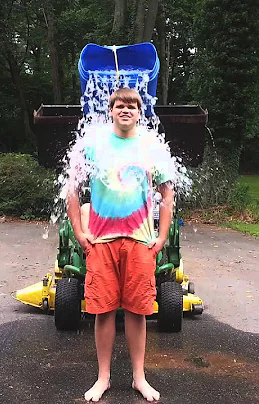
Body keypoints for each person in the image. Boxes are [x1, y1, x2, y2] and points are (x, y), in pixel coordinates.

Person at [66, 87, 175, 402]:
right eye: (119, 105)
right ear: (110, 110)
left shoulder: (151, 146)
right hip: (101, 241)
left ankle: (139, 377)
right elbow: (72, 188)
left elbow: (167, 192)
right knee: (102, 311)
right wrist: (78, 230)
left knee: (138, 311)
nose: (126, 109)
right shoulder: (95, 145)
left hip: (140, 241)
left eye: (132, 105)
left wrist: (163, 235)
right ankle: (103, 378)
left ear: (139, 112)